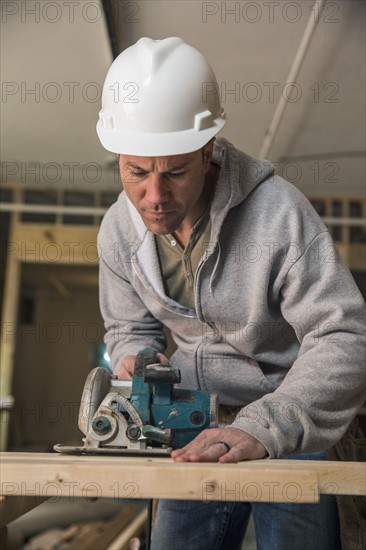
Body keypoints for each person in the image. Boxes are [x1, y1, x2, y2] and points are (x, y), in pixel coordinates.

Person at [96, 37, 365, 549]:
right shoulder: (118, 230)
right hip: (195, 425)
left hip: (293, 420)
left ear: (207, 149)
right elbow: (130, 329)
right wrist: (136, 358)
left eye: (175, 172)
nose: (153, 198)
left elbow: (344, 335)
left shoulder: (279, 214)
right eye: (136, 172)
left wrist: (265, 428)